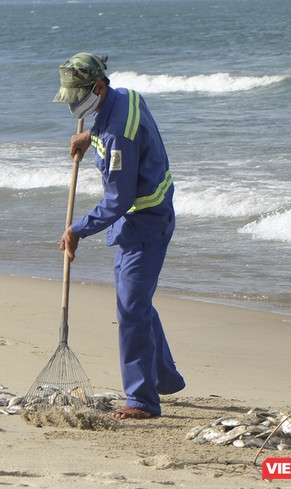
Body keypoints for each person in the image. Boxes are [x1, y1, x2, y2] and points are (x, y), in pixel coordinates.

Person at [52, 53, 185, 419]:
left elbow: (118, 200)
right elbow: (112, 125)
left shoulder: (116, 140)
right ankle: (165, 377)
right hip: (151, 213)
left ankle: (142, 400)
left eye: (79, 95)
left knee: (130, 309)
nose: (74, 103)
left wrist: (77, 229)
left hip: (144, 221)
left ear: (98, 87)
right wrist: (89, 134)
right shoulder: (126, 96)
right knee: (137, 301)